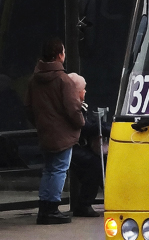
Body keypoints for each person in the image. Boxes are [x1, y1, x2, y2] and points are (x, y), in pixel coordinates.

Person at [25, 36, 84, 225]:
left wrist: (40, 123)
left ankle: (44, 208)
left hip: (45, 131)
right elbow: (72, 108)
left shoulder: (34, 79)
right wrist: (80, 122)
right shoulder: (63, 80)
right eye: (64, 52)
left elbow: (28, 107)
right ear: (59, 55)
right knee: (59, 170)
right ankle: (52, 208)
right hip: (62, 134)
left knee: (49, 170)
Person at [66, 72, 104, 218]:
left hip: (76, 145)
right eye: (83, 89)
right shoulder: (72, 106)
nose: (85, 91)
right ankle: (84, 204)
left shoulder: (80, 105)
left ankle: (87, 202)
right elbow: (84, 126)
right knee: (94, 165)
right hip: (72, 145)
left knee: (100, 162)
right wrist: (105, 127)